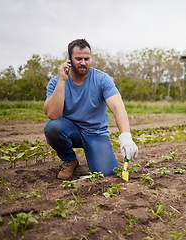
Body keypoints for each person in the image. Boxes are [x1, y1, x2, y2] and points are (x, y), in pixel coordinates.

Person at [44, 39, 138, 180]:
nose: (83, 62)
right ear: (69, 59)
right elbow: (53, 114)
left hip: (96, 133)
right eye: (78, 59)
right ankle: (70, 160)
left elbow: (118, 108)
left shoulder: (102, 79)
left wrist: (126, 136)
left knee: (107, 175)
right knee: (53, 128)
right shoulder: (56, 82)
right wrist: (62, 81)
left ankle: (97, 155)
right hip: (71, 131)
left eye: (86, 58)